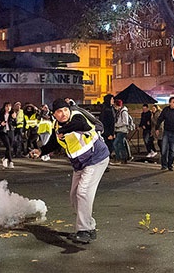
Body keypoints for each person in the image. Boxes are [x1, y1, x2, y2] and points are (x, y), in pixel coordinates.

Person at [29, 99, 109, 244]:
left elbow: (81, 125)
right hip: (80, 164)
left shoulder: (76, 116)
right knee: (74, 197)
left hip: (96, 158)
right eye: (59, 111)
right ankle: (89, 227)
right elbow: (54, 142)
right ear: (54, 114)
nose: (64, 113)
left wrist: (63, 130)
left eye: (66, 110)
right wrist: (41, 151)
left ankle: (84, 231)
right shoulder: (56, 125)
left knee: (83, 192)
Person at [155, 96, 174, 171]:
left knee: (172, 150)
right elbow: (160, 118)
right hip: (167, 132)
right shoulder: (166, 110)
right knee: (164, 149)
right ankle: (164, 165)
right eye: (173, 102)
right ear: (170, 103)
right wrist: (157, 128)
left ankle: (170, 165)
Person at [113, 99, 130, 164]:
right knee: (121, 145)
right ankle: (123, 158)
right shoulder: (120, 111)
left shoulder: (123, 112)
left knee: (116, 144)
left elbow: (125, 122)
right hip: (120, 130)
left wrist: (117, 125)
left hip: (122, 130)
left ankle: (119, 159)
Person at [0, 101, 15, 168]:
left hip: (11, 131)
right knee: (8, 146)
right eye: (7, 106)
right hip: (3, 131)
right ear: (4, 107)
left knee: (10, 146)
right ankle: (10, 162)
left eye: (9, 106)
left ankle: (5, 158)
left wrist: (14, 118)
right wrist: (0, 124)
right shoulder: (1, 114)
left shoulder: (13, 114)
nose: (8, 108)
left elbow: (15, 124)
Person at [100, 94, 116, 159]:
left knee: (110, 147)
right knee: (108, 148)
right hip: (107, 133)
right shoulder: (106, 110)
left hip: (111, 132)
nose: (113, 100)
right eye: (112, 99)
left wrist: (113, 133)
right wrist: (108, 134)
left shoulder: (111, 108)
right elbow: (105, 123)